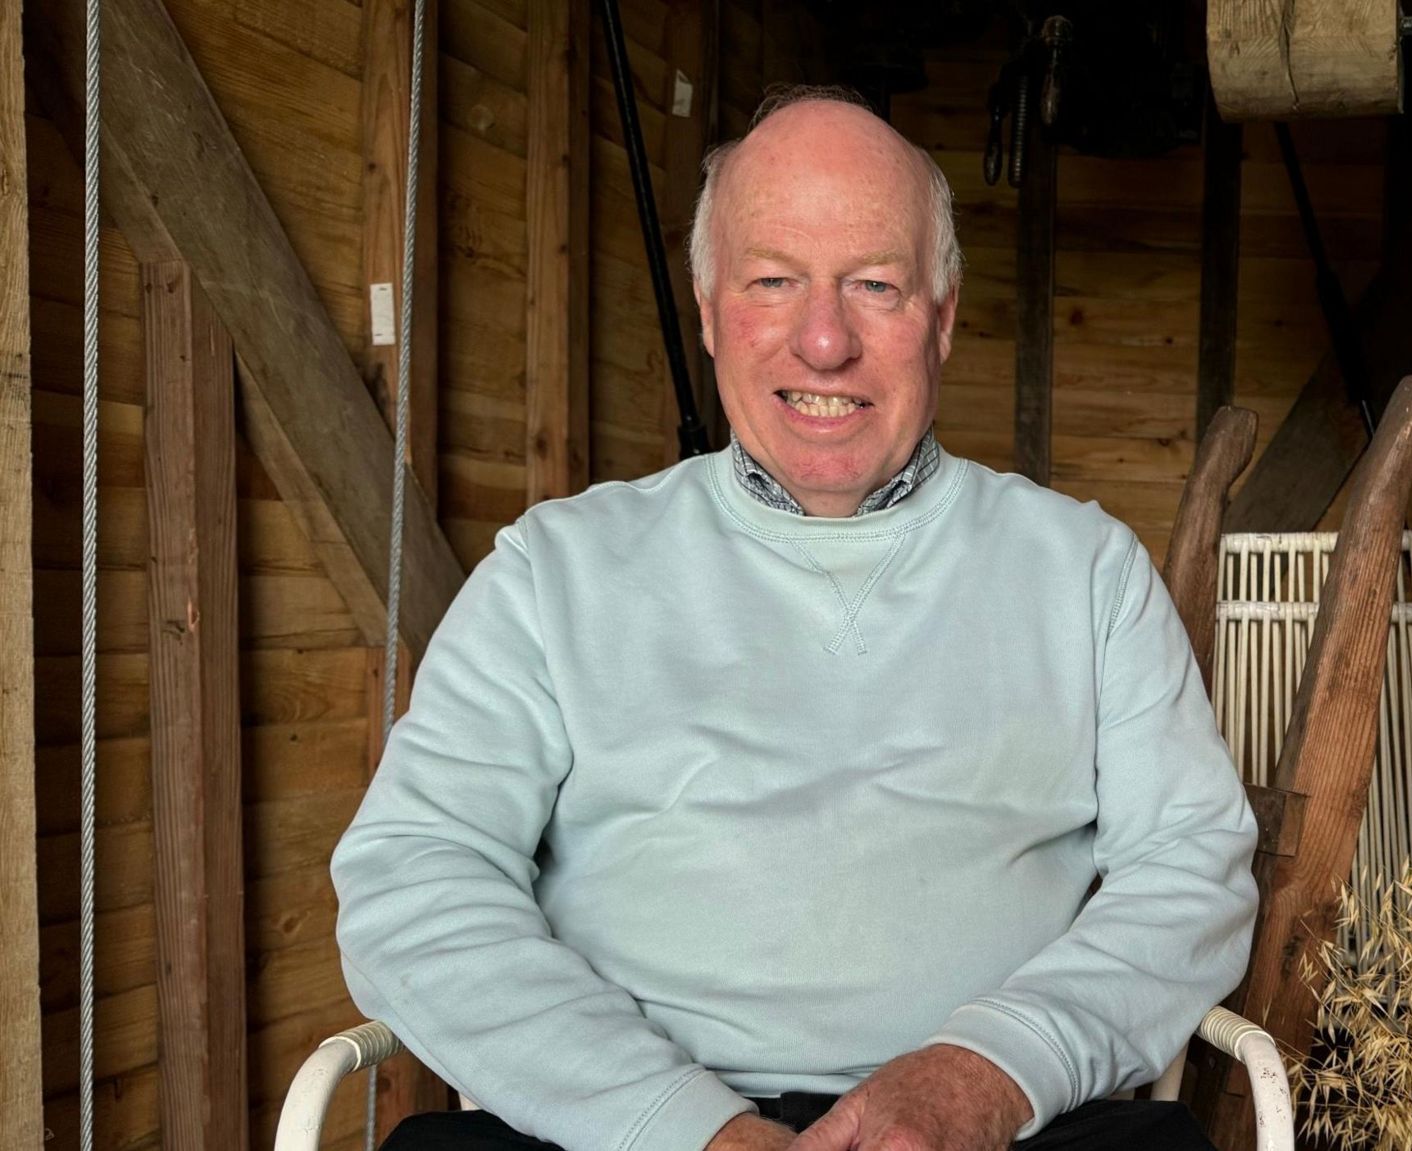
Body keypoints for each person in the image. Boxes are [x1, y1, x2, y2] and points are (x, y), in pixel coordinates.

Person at [332, 86, 1258, 1151]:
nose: (824, 342)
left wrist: (992, 1067)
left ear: (943, 315)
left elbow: (1190, 864)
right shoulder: (555, 571)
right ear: (708, 305)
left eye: (874, 284)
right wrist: (684, 1122)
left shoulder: (1086, 569)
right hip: (620, 1129)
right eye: (773, 281)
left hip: (1003, 1123)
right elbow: (414, 875)